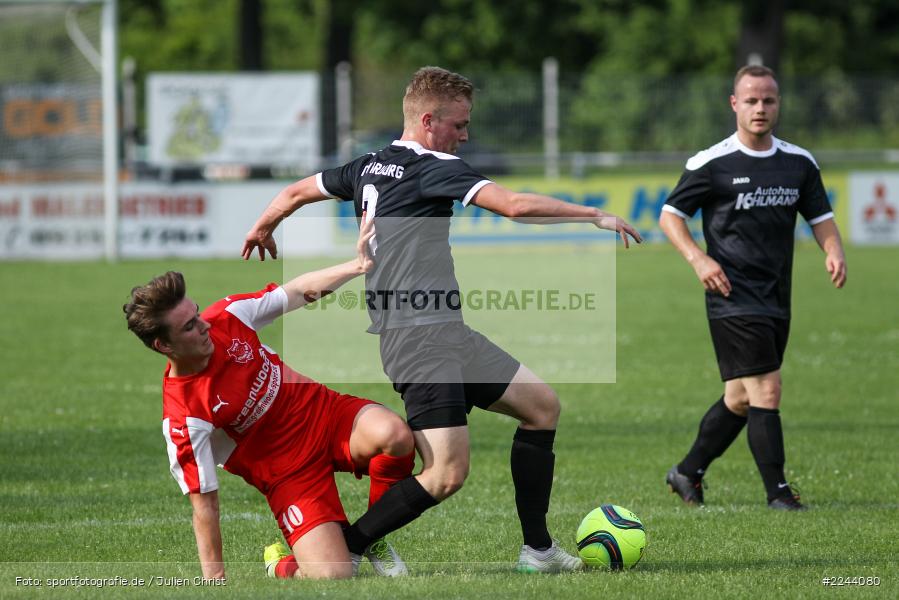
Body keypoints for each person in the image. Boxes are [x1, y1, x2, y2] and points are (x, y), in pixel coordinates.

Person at [242, 66, 642, 572]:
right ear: (429, 121)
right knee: (446, 473)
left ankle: (538, 551)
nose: (466, 135)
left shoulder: (371, 164)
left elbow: (297, 192)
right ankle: (346, 544)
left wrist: (263, 224)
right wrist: (594, 215)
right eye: (459, 124)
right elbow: (514, 207)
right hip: (417, 340)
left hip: (446, 330)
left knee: (542, 407)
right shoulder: (432, 166)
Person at [123, 217, 417, 580]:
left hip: (324, 414)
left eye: (197, 314)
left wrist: (357, 266)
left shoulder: (228, 316)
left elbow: (295, 292)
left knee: (397, 436)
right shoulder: (184, 415)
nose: (204, 326)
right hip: (287, 471)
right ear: (163, 345)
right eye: (189, 326)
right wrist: (215, 582)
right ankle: (282, 564)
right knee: (333, 576)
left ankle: (370, 536)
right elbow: (205, 504)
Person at [659, 65, 847, 511]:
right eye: (751, 100)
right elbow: (670, 216)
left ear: (778, 104)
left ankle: (687, 472)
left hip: (777, 295)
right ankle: (779, 494)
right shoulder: (712, 163)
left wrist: (834, 250)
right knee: (767, 389)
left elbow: (821, 218)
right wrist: (698, 259)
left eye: (769, 100)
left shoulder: (798, 163)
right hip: (731, 293)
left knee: (740, 398)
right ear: (734, 104)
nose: (760, 108)